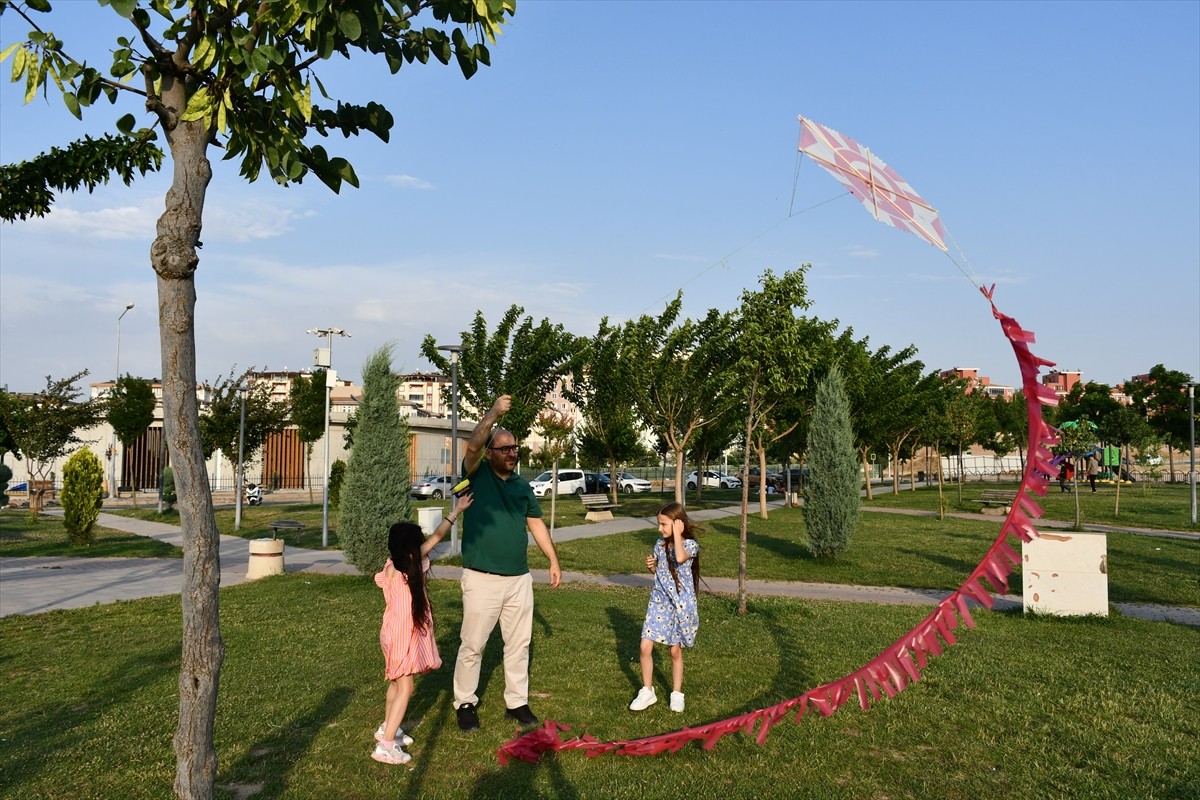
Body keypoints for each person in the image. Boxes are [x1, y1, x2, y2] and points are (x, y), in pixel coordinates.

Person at [452, 395, 562, 732]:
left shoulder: (522, 486)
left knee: (519, 644)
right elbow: (471, 447)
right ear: (491, 453)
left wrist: (552, 560)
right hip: (481, 577)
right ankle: (466, 703)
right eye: (505, 449)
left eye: (516, 449)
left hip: (518, 579)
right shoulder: (476, 475)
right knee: (473, 644)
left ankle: (516, 702)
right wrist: (494, 413)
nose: (513, 453)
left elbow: (536, 523)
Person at [371, 492, 473, 765]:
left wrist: (458, 510)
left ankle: (387, 727)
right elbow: (433, 540)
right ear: (409, 551)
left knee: (396, 683)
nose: (423, 547)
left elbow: (437, 537)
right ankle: (386, 745)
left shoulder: (402, 565)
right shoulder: (397, 571)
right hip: (398, 637)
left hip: (395, 635)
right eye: (417, 545)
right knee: (406, 687)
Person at [629, 501, 700, 714]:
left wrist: (678, 534)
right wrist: (653, 568)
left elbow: (679, 558)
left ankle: (677, 693)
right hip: (659, 601)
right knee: (644, 646)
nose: (659, 529)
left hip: (679, 605)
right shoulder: (659, 545)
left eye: (664, 524)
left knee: (675, 650)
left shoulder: (689, 545)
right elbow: (662, 574)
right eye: (659, 524)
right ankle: (647, 690)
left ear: (678, 524)